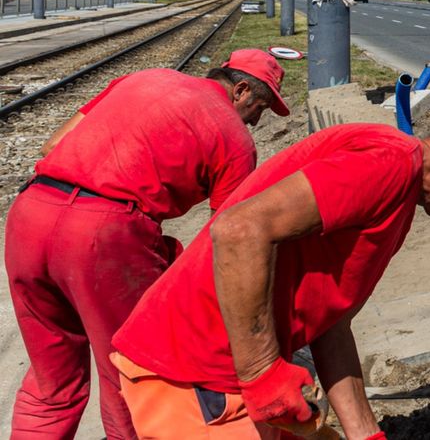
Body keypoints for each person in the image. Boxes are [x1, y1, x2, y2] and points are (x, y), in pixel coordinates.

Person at [109, 95, 430, 440]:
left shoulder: (399, 186)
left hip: (227, 375)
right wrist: (262, 373)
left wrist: (366, 434)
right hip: (195, 372)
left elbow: (330, 325)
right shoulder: (388, 164)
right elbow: (239, 229)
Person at [5, 49, 290, 440]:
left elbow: (52, 145)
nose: (257, 121)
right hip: (104, 234)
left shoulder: (145, 79)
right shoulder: (235, 139)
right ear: (240, 90)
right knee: (131, 373)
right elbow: (227, 241)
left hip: (30, 214)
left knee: (51, 381)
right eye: (260, 108)